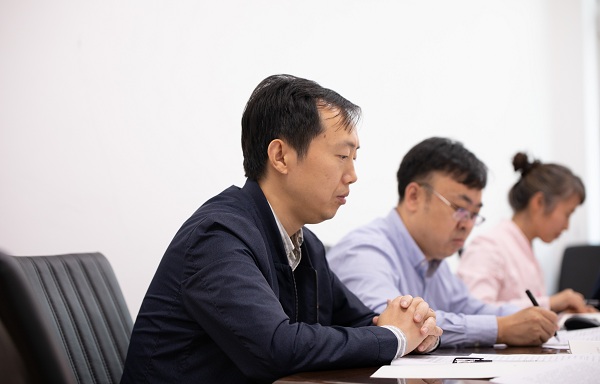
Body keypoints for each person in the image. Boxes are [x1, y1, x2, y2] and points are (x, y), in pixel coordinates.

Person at [120, 75, 442, 384]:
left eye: (354, 158)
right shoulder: (217, 236)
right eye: (342, 156)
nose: (353, 175)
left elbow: (362, 322)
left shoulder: (305, 244)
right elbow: (275, 348)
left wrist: (416, 328)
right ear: (281, 156)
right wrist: (395, 337)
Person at [327, 137, 558, 348]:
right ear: (414, 196)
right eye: (460, 209)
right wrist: (501, 329)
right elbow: (393, 324)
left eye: (474, 214)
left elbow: (473, 308)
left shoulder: (435, 262)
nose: (467, 224)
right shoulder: (363, 251)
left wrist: (532, 317)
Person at [457, 153, 593, 313]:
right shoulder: (488, 248)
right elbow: (473, 314)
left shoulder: (524, 249)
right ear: (539, 202)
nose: (567, 226)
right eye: (567, 214)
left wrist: (563, 316)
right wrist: (550, 303)